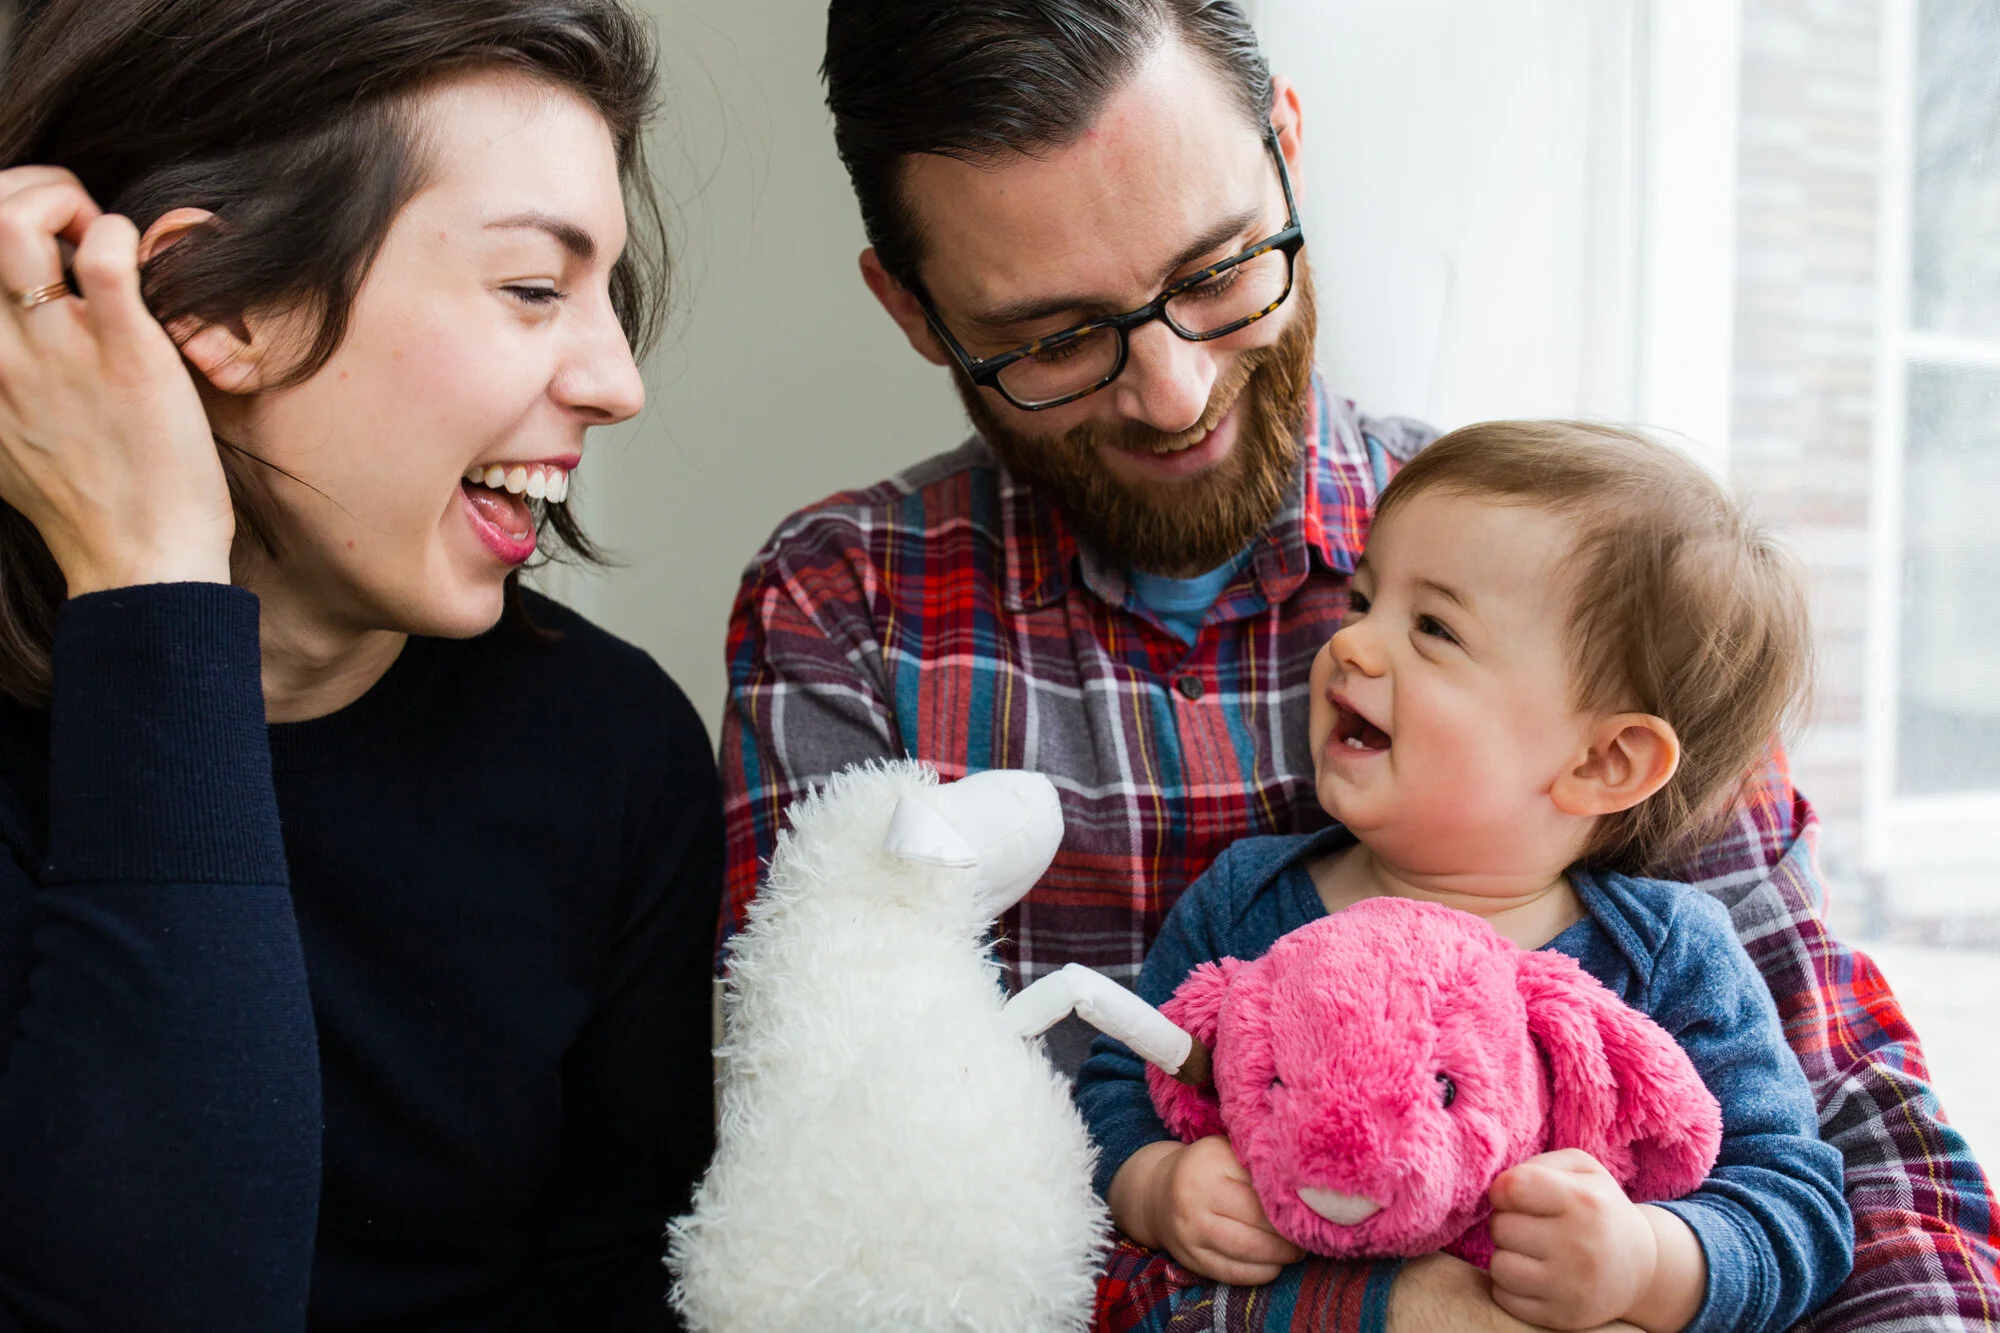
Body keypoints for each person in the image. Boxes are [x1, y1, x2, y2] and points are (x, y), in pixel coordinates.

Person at [720, 1, 2000, 1328]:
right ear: (916, 310)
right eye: (1055, 340)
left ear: (1285, 147)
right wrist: (1360, 1307)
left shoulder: (1571, 579)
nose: (1173, 393)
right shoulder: (847, 612)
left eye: (1220, 269)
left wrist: (1659, 1266)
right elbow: (861, 1227)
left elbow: (1850, 1140)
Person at [0, 2, 717, 1328]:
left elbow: (621, 1285)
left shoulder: (614, 751)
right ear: (218, 301)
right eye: (532, 288)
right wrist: (155, 584)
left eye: (605, 293)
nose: (619, 381)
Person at [1077, 421, 1853, 1333]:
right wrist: (1157, 1183)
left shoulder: (1668, 955)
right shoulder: (1245, 898)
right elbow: (1117, 1081)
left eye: (1433, 627)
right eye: (1364, 600)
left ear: (1603, 762)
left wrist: (1646, 1261)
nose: (1353, 644)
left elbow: (1796, 1203)